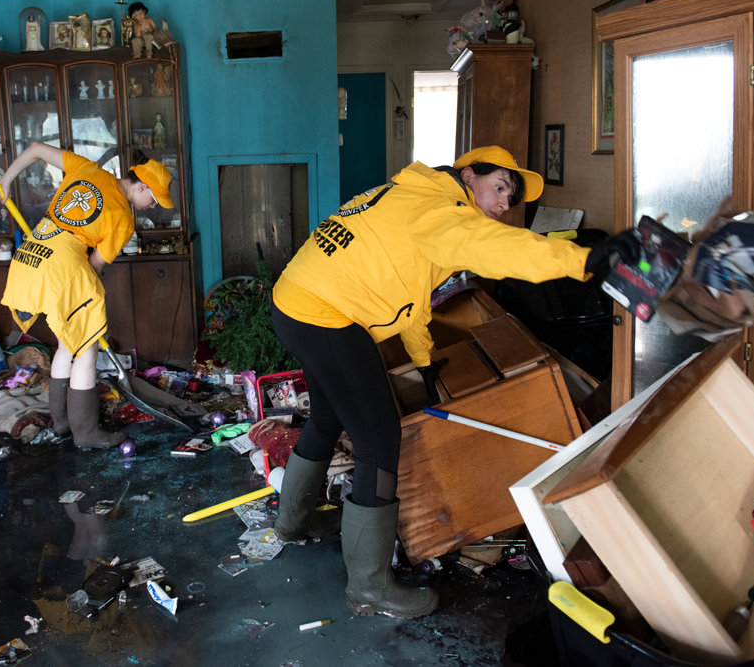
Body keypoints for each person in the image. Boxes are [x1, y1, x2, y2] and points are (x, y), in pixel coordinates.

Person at [270, 145, 640, 618]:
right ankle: (369, 587)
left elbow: (410, 296)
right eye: (500, 186)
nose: (505, 204)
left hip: (297, 302)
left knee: (326, 415)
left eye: (512, 198)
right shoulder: (441, 213)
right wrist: (584, 260)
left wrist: (423, 361)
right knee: (379, 443)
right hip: (328, 316)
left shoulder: (413, 195)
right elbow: (498, 248)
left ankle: (292, 523)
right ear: (469, 175)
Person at [0, 142, 174, 449]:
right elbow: (93, 266)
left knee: (70, 341)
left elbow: (37, 149)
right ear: (142, 186)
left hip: (32, 252)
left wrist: (6, 180)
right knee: (88, 346)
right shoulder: (123, 219)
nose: (154, 205)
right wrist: (88, 301)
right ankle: (87, 431)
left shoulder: (88, 168)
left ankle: (63, 424)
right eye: (154, 198)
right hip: (64, 265)